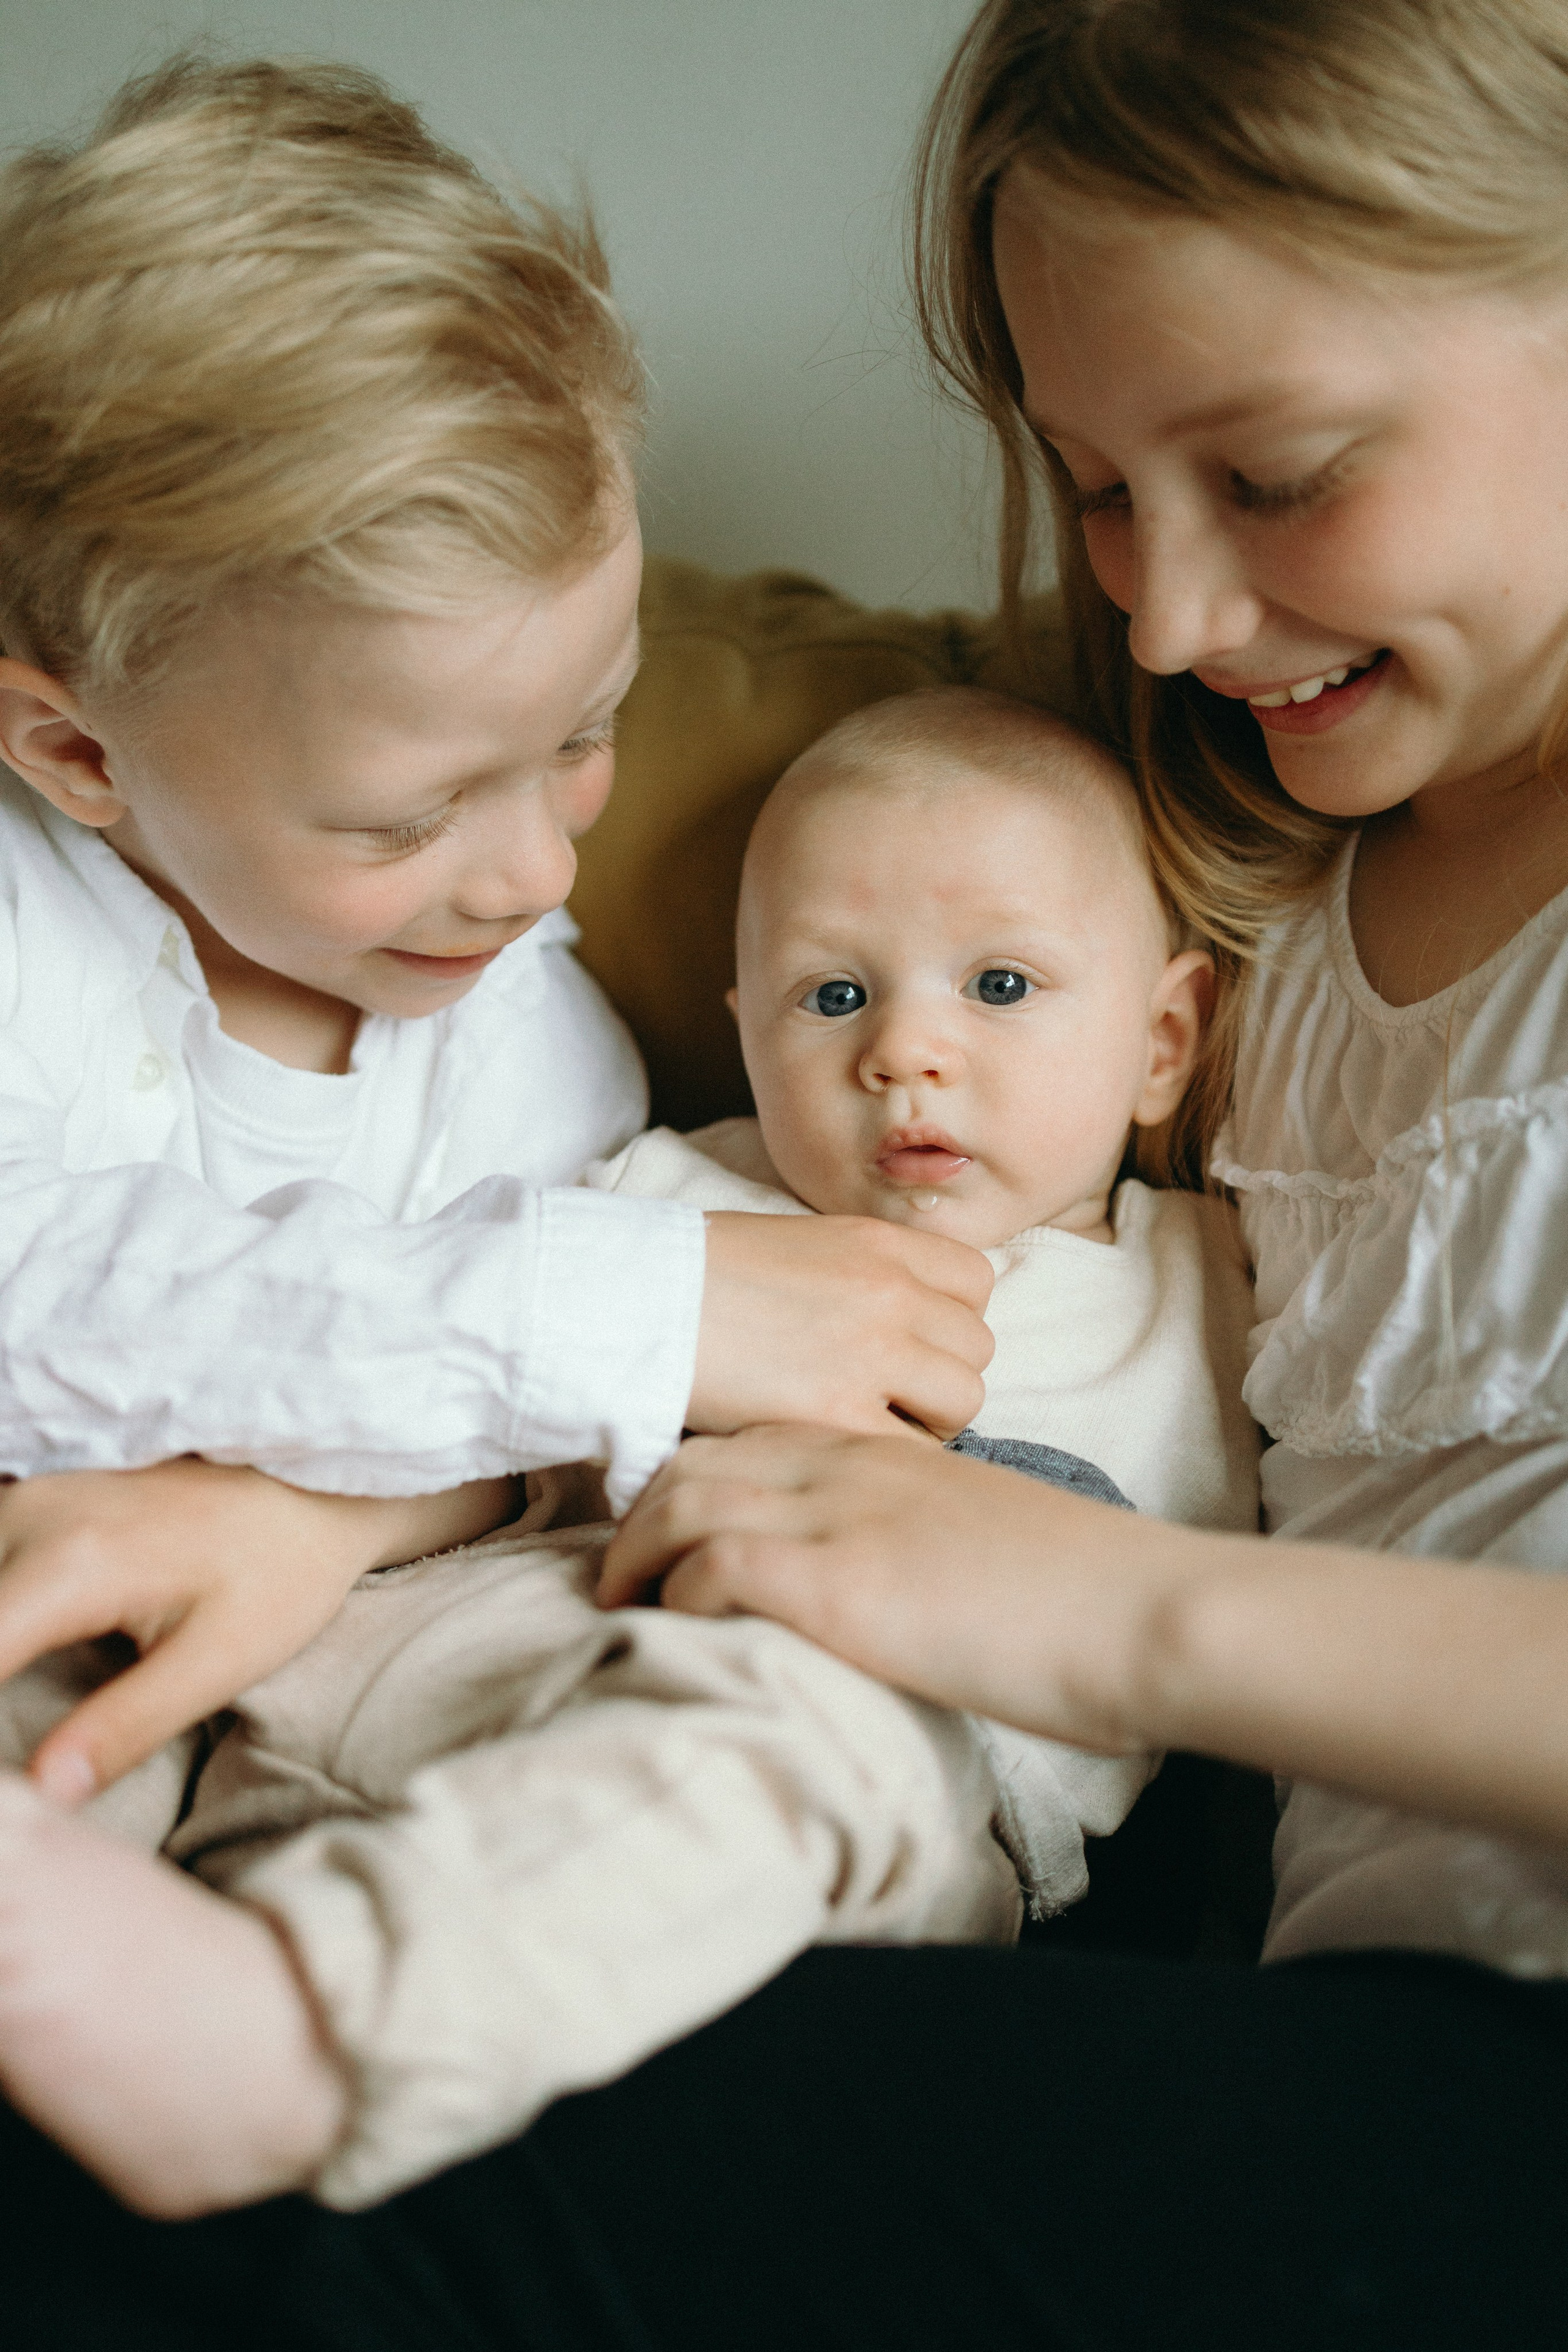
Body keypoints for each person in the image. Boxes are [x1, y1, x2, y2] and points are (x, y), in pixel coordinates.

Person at [10, 1, 1568, 2345]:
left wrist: (1090, 1607)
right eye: (1098, 491)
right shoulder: (1248, 900)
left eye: (1279, 470)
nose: (1162, 617)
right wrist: (316, 1519)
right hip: (1311, 2011)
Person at [0, 682, 1257, 2217]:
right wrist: (300, 1525)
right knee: (104, 1586)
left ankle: (307, 2025)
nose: (905, 1052)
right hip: (423, 1653)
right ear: (741, 1029)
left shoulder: (1214, 1287)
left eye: (998, 984)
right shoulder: (670, 1186)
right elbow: (478, 1415)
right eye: (831, 997)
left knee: (821, 1738)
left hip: (820, 1758)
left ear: (1162, 1041)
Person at [0, 51, 993, 1817]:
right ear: (78, 753)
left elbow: (548, 1449)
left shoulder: (516, 1026)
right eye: (405, 820)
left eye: (581, 737)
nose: (537, 873)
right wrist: (610, 1312)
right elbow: (39, 1291)